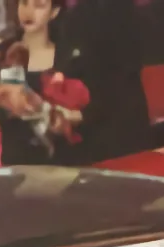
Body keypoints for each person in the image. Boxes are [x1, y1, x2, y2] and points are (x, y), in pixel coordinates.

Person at [0, 0, 90, 163]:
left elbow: (85, 109)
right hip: (16, 160)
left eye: (39, 5)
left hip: (62, 163)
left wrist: (68, 116)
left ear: (54, 12)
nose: (29, 12)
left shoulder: (68, 57)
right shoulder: (6, 53)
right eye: (24, 3)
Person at [53, 0, 148, 161]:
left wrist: (83, 114)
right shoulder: (73, 17)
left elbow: (121, 74)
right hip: (86, 131)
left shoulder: (122, 14)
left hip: (119, 131)